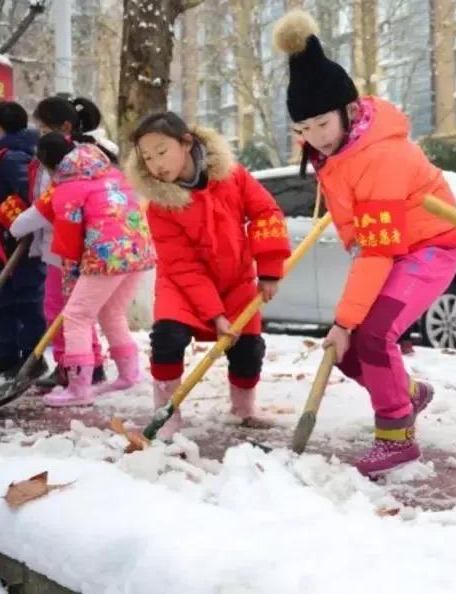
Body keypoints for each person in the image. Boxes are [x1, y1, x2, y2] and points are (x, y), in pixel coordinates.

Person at [273, 9, 456, 477]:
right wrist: (346, 328)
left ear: (349, 110)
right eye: (302, 129)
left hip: (430, 246)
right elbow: (369, 240)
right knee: (352, 350)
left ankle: (396, 436)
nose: (313, 139)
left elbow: (378, 250)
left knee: (372, 335)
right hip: (394, 247)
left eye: (321, 124)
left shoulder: (380, 155)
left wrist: (344, 320)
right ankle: (409, 394)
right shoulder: (339, 149)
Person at [125, 113, 290, 438]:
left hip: (236, 279)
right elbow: (184, 265)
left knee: (248, 346)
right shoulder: (161, 205)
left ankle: (243, 409)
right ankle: (167, 412)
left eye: (162, 151)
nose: (156, 164)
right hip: (182, 284)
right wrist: (214, 314)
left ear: (186, 144)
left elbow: (265, 212)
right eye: (147, 157)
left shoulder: (232, 176)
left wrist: (270, 269)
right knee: (167, 338)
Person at [34, 133, 155, 407]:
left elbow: (67, 239)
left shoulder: (68, 188)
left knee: (76, 315)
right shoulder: (112, 175)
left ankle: (79, 388)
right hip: (138, 251)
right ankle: (129, 375)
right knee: (111, 312)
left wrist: (71, 269)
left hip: (106, 255)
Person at [21, 96, 117, 390]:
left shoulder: (69, 159)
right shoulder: (86, 155)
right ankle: (90, 363)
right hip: (67, 244)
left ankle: (70, 365)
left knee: (61, 307)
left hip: (65, 246)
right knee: (75, 308)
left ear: (63, 126)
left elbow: (51, 201)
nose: (39, 133)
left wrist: (24, 222)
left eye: (44, 127)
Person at [0, 101, 47, 379]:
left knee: (28, 300)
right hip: (6, 243)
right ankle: (6, 355)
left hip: (22, 245)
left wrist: (16, 225)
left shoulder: (14, 157)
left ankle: (32, 358)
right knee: (4, 299)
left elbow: (33, 196)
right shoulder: (11, 153)